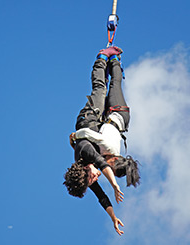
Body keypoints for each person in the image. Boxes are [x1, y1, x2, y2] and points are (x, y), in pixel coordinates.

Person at [64, 46, 128, 235]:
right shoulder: (88, 175)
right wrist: (113, 217)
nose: (96, 177)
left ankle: (101, 57)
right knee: (111, 90)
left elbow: (102, 164)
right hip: (100, 123)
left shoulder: (84, 152)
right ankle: (113, 64)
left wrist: (115, 185)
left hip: (89, 117)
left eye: (93, 176)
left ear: (85, 170)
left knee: (99, 88)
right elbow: (101, 197)